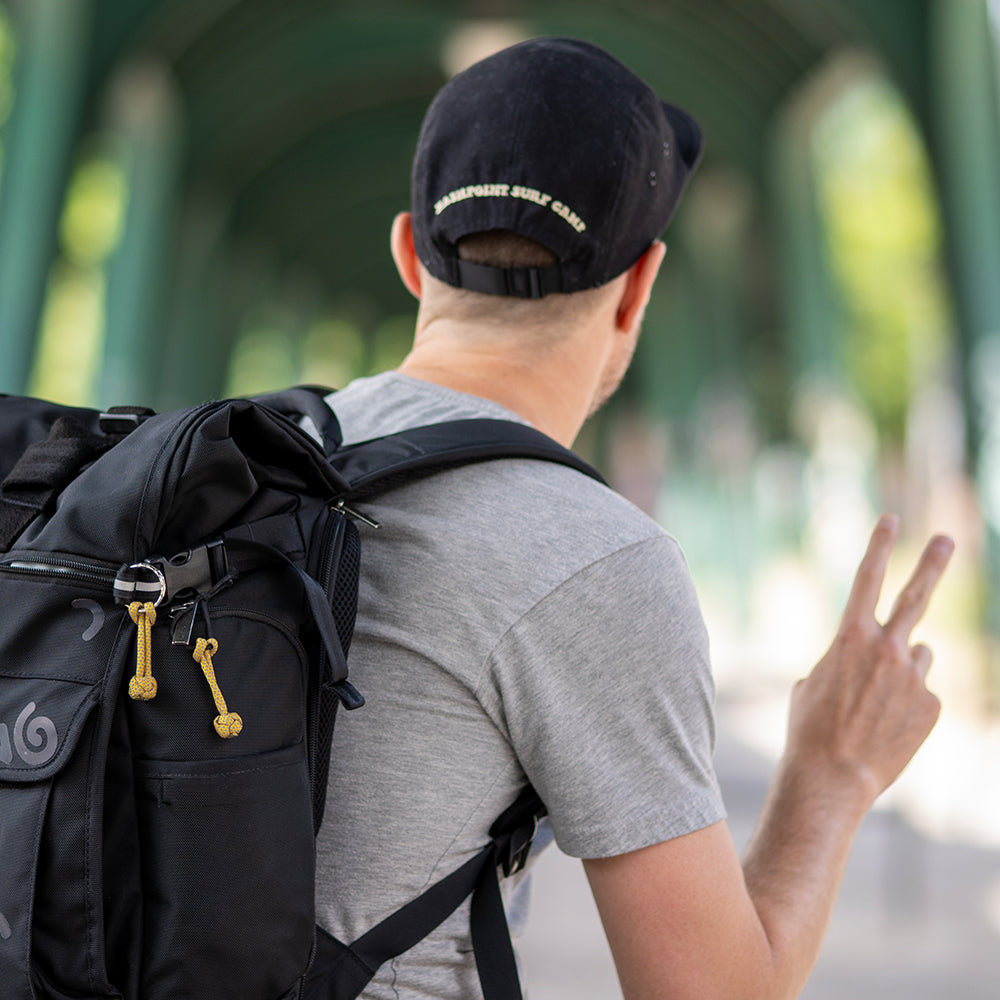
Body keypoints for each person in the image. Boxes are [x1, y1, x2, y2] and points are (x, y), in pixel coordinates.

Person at [314, 36, 954, 999]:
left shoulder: (248, 455)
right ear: (640, 287)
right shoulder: (591, 558)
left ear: (410, 254)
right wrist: (832, 774)